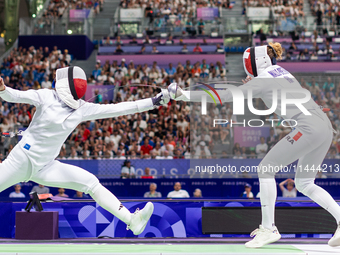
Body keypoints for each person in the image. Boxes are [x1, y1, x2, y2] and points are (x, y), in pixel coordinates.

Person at [169, 42, 340, 247]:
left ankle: (269, 228)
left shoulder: (263, 80)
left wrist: (184, 95)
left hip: (309, 128)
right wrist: (253, 84)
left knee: (266, 169)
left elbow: (223, 96)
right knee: (304, 183)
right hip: (324, 126)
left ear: (254, 63)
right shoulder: (281, 72)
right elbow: (272, 89)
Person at [0, 66, 171, 236]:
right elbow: (15, 95)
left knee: (91, 182)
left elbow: (120, 108)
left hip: (45, 166)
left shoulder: (82, 108)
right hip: (21, 160)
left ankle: (132, 220)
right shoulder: (46, 96)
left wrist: (153, 101)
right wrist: (3, 89)